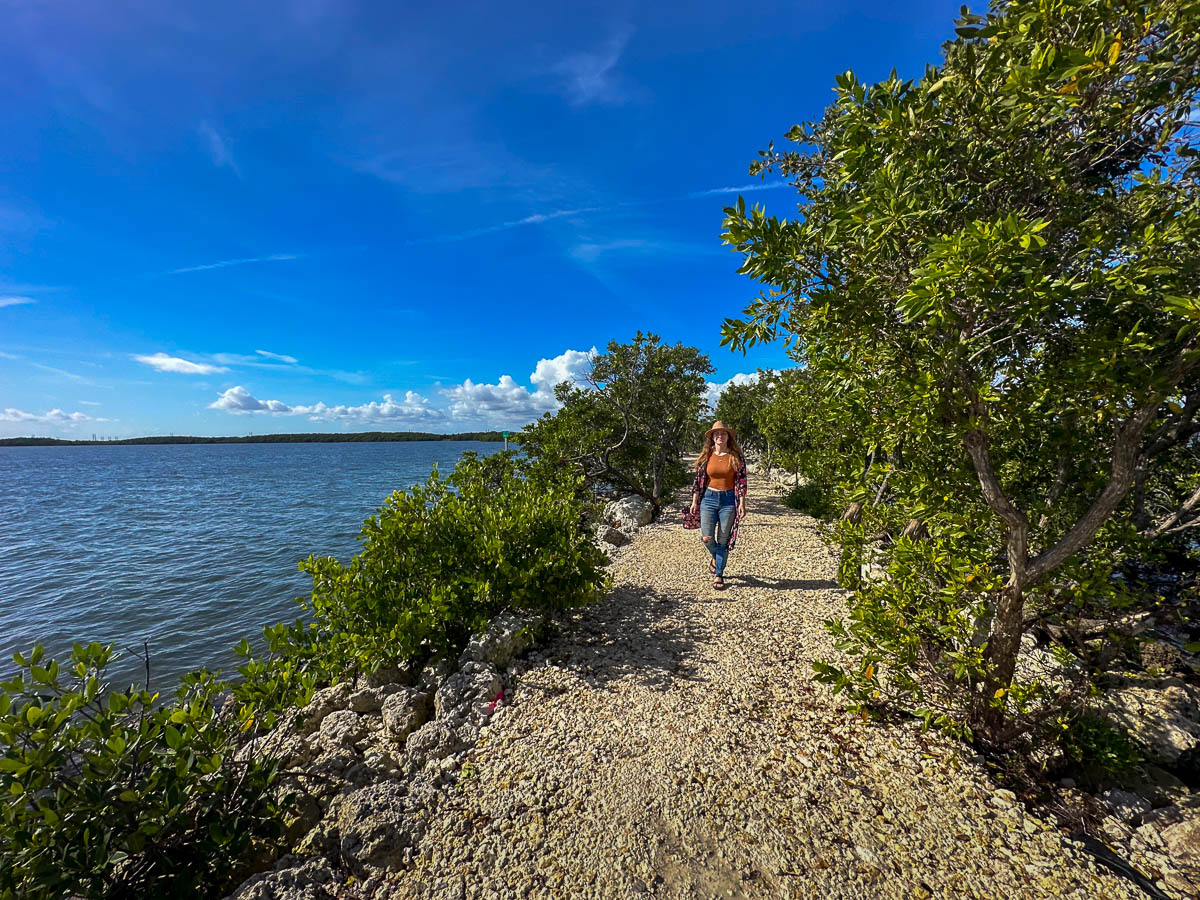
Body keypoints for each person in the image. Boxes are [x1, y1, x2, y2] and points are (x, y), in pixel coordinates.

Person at [688, 420, 747, 590]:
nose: (720, 436)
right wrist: (694, 501)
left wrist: (742, 503)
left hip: (729, 501)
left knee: (723, 540)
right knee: (707, 537)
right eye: (716, 434)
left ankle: (719, 574)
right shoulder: (707, 456)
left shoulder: (736, 457)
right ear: (712, 438)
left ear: (728, 437)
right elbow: (698, 481)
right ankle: (717, 557)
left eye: (723, 433)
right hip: (709, 499)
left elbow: (742, 482)